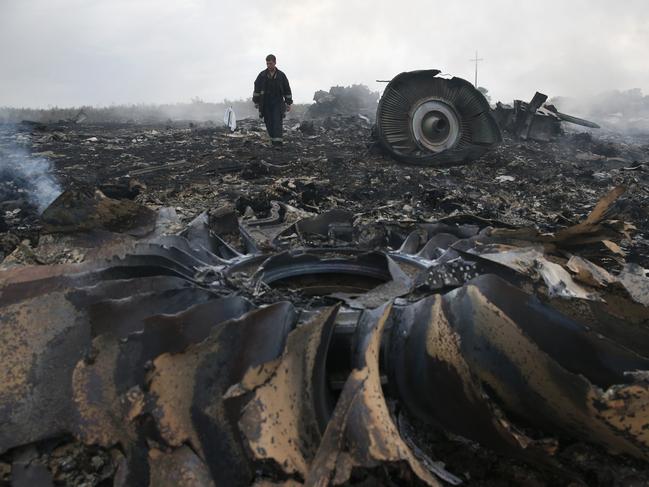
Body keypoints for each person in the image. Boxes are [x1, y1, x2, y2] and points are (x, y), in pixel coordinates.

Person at [253, 54, 293, 147]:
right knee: (268, 122)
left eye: (270, 63)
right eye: (267, 64)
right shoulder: (262, 75)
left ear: (275, 63)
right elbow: (257, 90)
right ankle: (272, 140)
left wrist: (288, 103)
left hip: (277, 102)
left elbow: (287, 89)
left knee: (277, 121)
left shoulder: (281, 75)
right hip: (265, 103)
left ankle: (278, 144)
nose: (269, 66)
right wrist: (256, 101)